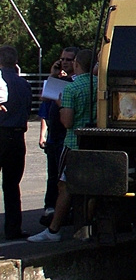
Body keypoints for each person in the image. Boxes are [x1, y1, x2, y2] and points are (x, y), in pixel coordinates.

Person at [29, 48, 96, 243]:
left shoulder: (70, 89)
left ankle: (53, 230)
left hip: (73, 143)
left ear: (76, 64)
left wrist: (61, 106)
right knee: (91, 187)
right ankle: (86, 227)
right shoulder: (99, 86)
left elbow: (67, 122)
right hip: (95, 142)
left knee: (64, 185)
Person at [37, 48, 77, 226]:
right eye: (62, 59)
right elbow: (45, 98)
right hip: (54, 138)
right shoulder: (60, 81)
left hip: (65, 138)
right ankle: (50, 208)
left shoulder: (74, 83)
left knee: (63, 179)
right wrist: (53, 75)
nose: (65, 62)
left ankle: (64, 212)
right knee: (53, 176)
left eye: (69, 59)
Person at [0, 45, 33, 240]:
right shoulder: (24, 84)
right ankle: (13, 228)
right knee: (12, 185)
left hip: (1, 130)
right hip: (17, 134)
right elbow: (28, 109)